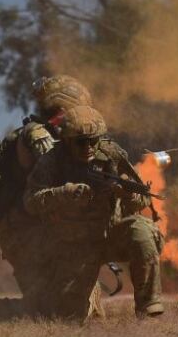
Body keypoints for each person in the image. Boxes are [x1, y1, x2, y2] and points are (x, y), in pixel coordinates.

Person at [0, 75, 102, 321]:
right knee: (47, 312)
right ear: (63, 108)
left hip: (43, 230)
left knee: (72, 306)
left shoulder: (56, 137)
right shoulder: (38, 135)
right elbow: (59, 175)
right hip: (24, 235)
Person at [23, 105, 164, 319]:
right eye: (81, 142)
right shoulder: (52, 161)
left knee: (142, 230)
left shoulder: (111, 154)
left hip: (110, 235)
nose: (88, 147)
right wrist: (63, 193)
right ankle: (89, 296)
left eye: (94, 140)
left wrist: (126, 194)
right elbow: (30, 202)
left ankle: (148, 304)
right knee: (67, 317)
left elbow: (143, 197)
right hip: (73, 245)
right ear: (68, 140)